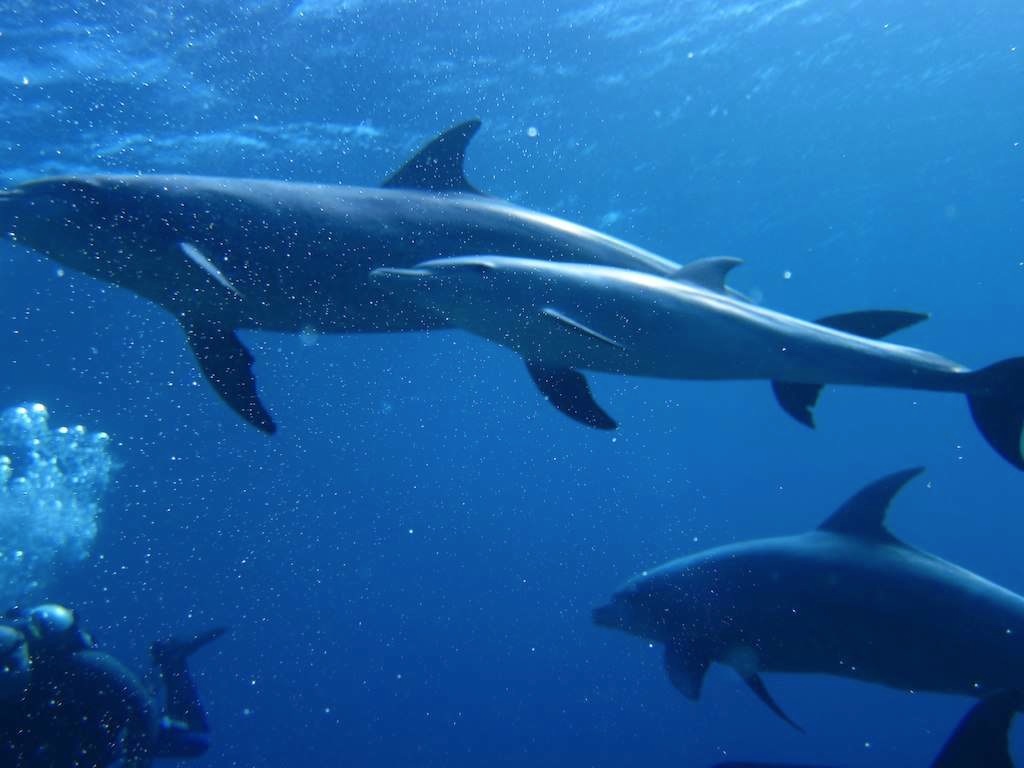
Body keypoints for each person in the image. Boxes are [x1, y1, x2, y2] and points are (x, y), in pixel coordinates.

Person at [0, 603, 225, 767]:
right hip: (65, 746)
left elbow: (141, 707)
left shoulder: (81, 664)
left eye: (10, 667)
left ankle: (172, 661)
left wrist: (135, 761)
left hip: (108, 730)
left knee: (196, 741)